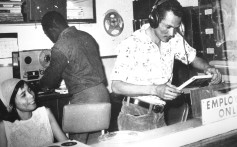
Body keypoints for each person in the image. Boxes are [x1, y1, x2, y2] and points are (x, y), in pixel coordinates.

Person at [110, 0, 222, 131]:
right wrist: (155, 90)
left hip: (159, 114)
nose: (172, 33)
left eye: (176, 27)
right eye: (168, 27)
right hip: (136, 116)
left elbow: (193, 58)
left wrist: (207, 68)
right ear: (154, 19)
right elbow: (116, 86)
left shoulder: (174, 39)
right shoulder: (131, 44)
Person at [40, 11, 110, 142]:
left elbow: (49, 82)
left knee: (76, 143)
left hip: (85, 101)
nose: (49, 36)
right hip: (104, 95)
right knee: (97, 142)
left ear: (52, 27)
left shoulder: (60, 46)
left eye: (47, 33)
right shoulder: (87, 36)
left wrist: (38, 84)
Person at [0, 78, 68, 147]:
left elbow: (66, 143)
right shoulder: (4, 127)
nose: (31, 95)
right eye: (23, 95)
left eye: (29, 90)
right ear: (11, 105)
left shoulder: (45, 114)